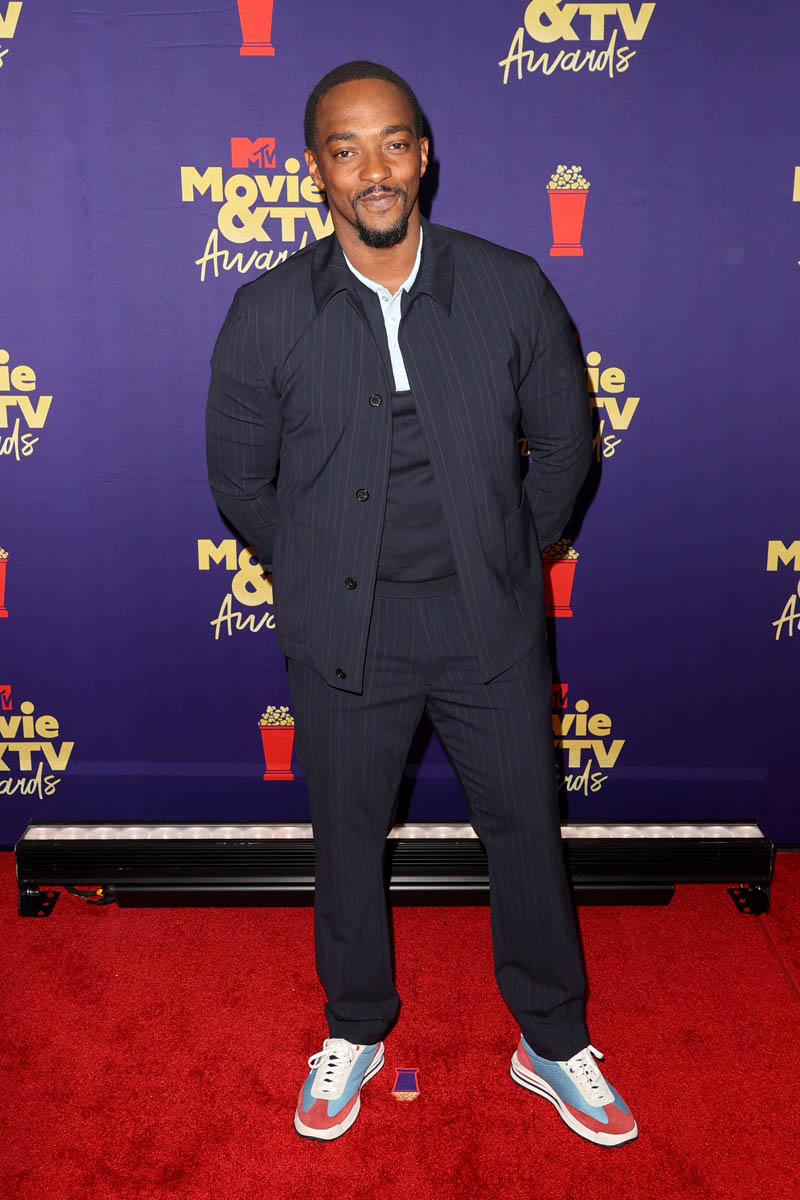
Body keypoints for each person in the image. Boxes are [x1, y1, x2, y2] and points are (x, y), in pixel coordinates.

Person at [206, 60, 637, 1147]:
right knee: (347, 839)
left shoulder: (507, 286)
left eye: (392, 143)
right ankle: (354, 1027)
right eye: (346, 149)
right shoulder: (267, 312)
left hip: (486, 620)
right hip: (345, 630)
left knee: (526, 830)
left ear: (423, 153)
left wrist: (505, 555)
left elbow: (566, 447)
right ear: (315, 172)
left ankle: (551, 1040)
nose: (374, 169)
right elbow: (240, 483)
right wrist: (321, 570)